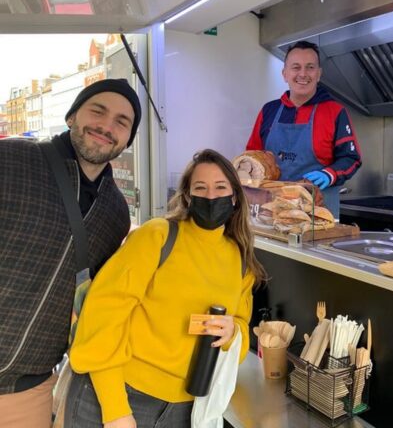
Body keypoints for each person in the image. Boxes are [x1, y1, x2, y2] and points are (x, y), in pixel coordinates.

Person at [64, 149, 267, 428]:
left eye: (220, 188)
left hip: (186, 409)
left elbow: (241, 331)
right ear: (187, 196)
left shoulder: (241, 261)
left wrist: (233, 332)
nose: (210, 196)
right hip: (121, 394)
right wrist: (114, 408)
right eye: (200, 188)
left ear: (234, 198)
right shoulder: (157, 236)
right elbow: (102, 315)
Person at [0, 78, 142, 428]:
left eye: (122, 122)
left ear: (126, 141)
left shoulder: (115, 213)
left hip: (28, 388)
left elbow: (99, 300)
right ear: (71, 116)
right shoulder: (11, 159)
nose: (107, 126)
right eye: (98, 111)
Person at [246, 40, 362, 218]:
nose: (303, 74)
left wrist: (328, 174)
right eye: (296, 67)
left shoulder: (335, 111)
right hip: (272, 214)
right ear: (285, 74)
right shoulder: (269, 111)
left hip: (320, 217)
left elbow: (351, 158)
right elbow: (253, 157)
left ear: (319, 74)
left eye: (310, 67)